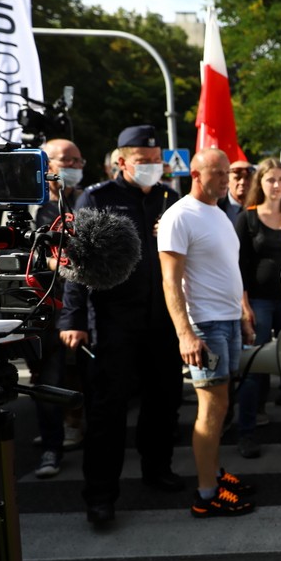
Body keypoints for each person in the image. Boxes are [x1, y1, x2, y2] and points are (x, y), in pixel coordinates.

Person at [59, 125, 185, 526]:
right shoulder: (98, 199)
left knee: (164, 400)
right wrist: (73, 318)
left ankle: (157, 468)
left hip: (161, 318)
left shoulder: (170, 198)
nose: (152, 167)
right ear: (122, 161)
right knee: (108, 410)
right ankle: (100, 496)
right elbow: (77, 263)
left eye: (157, 160)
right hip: (113, 320)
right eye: (144, 161)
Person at [159, 148, 255, 519]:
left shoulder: (219, 214)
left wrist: (242, 313)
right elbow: (170, 281)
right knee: (211, 408)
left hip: (227, 321)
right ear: (196, 175)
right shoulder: (179, 216)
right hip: (205, 325)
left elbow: (229, 269)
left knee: (221, 405)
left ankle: (214, 475)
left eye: (227, 172)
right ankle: (206, 494)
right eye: (218, 173)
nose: (226, 179)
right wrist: (185, 333)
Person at [234, 158, 281, 458]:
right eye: (270, 180)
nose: (276, 185)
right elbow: (239, 266)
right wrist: (244, 306)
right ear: (260, 183)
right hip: (258, 302)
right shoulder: (247, 218)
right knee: (254, 366)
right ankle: (247, 431)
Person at [29, 138, 87, 477]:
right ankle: (51, 447)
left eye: (79, 161)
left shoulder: (89, 201)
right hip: (43, 310)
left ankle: (76, 428)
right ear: (46, 165)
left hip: (81, 309)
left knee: (82, 376)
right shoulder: (30, 210)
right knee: (46, 380)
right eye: (67, 160)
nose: (74, 167)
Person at [217, 159, 254, 224]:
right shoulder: (216, 206)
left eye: (248, 178)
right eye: (237, 178)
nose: (242, 182)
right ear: (227, 181)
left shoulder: (263, 206)